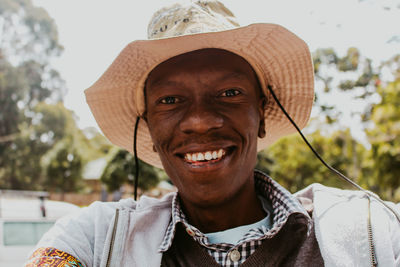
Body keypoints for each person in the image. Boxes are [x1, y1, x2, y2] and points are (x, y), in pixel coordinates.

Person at [25, 1, 400, 266]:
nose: (200, 120)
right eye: (170, 100)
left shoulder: (373, 234)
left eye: (229, 93)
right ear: (150, 131)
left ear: (263, 113)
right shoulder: (95, 239)